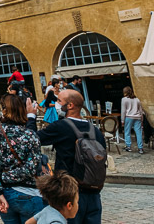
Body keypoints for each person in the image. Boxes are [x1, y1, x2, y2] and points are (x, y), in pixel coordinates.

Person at [27, 90, 105, 224]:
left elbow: (31, 139)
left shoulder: (61, 126)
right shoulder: (95, 130)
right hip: (93, 191)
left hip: (68, 192)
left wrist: (31, 117)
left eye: (59, 101)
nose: (56, 104)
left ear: (70, 106)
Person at [0, 94, 43, 223]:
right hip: (29, 192)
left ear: (3, 110)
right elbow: (31, 168)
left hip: (5, 192)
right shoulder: (30, 135)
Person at [121, 86, 145, 154]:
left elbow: (123, 110)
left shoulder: (124, 99)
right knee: (138, 133)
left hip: (129, 117)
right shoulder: (137, 99)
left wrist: (122, 120)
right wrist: (141, 119)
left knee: (127, 132)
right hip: (137, 117)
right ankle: (140, 148)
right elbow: (140, 110)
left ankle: (128, 146)